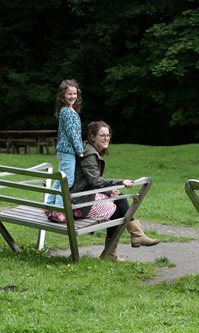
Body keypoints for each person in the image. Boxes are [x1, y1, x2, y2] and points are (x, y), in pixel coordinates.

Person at [71, 120, 160, 262]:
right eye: (102, 135)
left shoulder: (89, 149)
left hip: (81, 197)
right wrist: (119, 182)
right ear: (93, 137)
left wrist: (110, 191)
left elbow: (91, 182)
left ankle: (134, 236)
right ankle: (119, 248)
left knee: (119, 197)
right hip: (79, 204)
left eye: (108, 135)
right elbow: (95, 181)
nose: (106, 138)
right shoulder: (90, 155)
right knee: (118, 211)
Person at [45, 79, 85, 223]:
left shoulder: (70, 110)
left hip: (65, 151)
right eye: (69, 94)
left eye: (75, 94)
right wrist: (80, 151)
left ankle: (49, 205)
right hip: (68, 151)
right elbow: (72, 133)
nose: (73, 96)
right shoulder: (66, 112)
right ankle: (58, 210)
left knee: (60, 179)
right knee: (67, 181)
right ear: (62, 95)